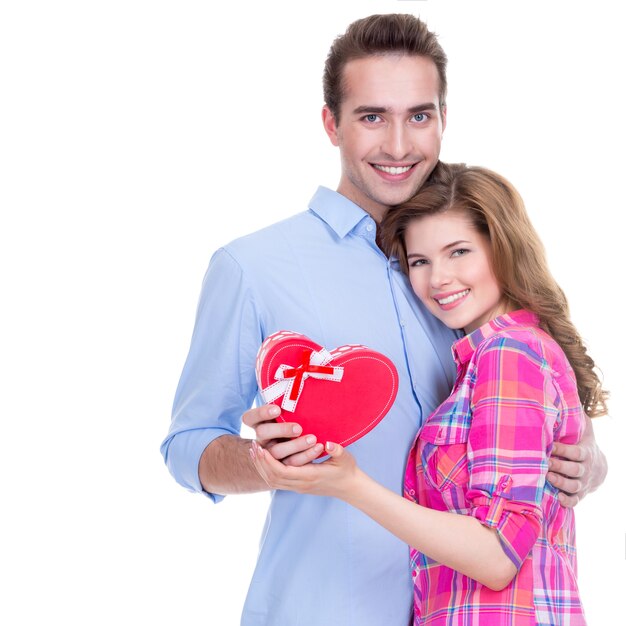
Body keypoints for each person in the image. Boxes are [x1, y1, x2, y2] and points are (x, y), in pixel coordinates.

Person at [160, 14, 606, 626]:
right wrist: (262, 465)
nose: (398, 146)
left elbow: (513, 427)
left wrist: (589, 461)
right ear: (331, 124)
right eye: (372, 117)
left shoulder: (464, 271)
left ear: (443, 120)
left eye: (419, 116)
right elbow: (186, 444)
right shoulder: (252, 266)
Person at [250, 162, 609, 625]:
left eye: (458, 252)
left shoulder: (508, 354)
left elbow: (498, 554)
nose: (437, 278)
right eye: (419, 261)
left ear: (503, 248)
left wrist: (350, 485)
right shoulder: (484, 357)